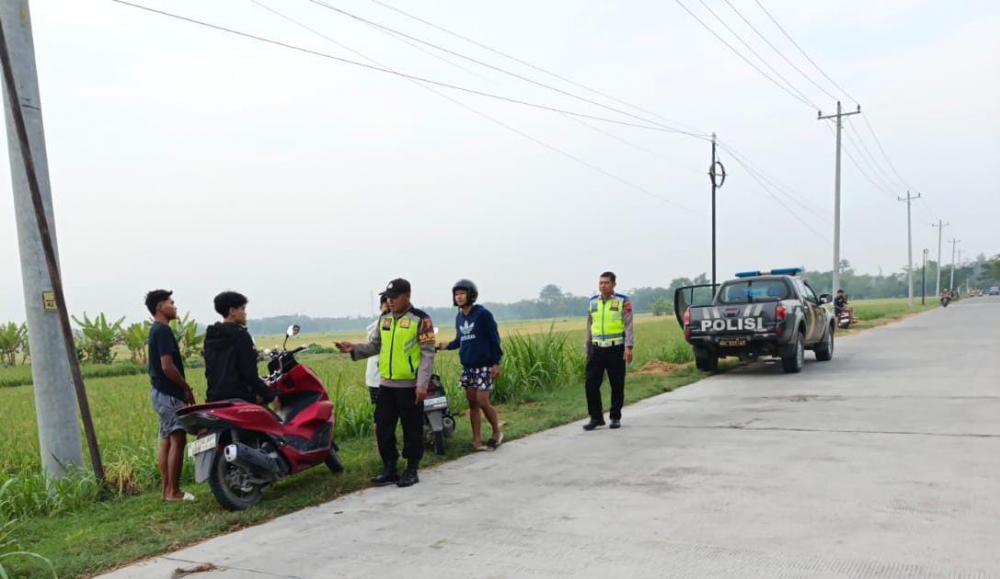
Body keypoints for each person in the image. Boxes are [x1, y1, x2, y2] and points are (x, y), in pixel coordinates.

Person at [336, 279, 436, 488]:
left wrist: (422, 384)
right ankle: (390, 467)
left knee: (412, 429)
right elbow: (375, 346)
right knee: (383, 428)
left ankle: (411, 468)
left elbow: (427, 354)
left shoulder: (421, 320)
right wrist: (353, 349)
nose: (389, 301)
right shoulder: (385, 319)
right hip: (387, 385)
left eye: (394, 297)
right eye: (388, 297)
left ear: (407, 296)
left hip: (410, 385)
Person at [438, 279, 504, 451]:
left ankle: (496, 432)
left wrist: (496, 362)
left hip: (485, 365)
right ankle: (476, 439)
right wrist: (446, 346)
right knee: (472, 403)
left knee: (482, 400)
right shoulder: (459, 317)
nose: (459, 297)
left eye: (462, 293)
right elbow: (461, 339)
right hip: (468, 366)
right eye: (456, 294)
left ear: (471, 294)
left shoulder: (483, 314)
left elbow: (494, 338)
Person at [144, 289, 196, 502]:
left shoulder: (155, 330)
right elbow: (167, 366)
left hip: (159, 392)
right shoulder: (163, 331)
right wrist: (186, 388)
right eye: (171, 302)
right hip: (169, 393)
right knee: (178, 438)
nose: (174, 306)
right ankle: (173, 492)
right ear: (160, 307)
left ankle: (167, 491)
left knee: (166, 440)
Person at [203, 291, 276, 404]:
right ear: (232, 311)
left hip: (214, 399)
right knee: (274, 421)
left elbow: (210, 371)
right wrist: (270, 395)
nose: (245, 313)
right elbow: (249, 373)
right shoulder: (241, 335)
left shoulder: (210, 336)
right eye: (242, 309)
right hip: (239, 399)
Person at [583, 272, 635, 431]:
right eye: (600, 283)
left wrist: (628, 347)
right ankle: (596, 418)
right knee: (590, 384)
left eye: (606, 282)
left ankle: (615, 417)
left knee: (617, 385)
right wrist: (587, 347)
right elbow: (589, 326)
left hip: (616, 349)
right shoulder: (592, 302)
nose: (602, 285)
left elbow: (629, 325)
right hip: (597, 349)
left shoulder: (622, 301)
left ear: (613, 284)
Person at [365, 295, 390, 451]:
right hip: (376, 377)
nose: (388, 308)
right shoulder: (373, 327)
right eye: (385, 306)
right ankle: (380, 445)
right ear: (380, 308)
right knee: (380, 413)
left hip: (397, 376)